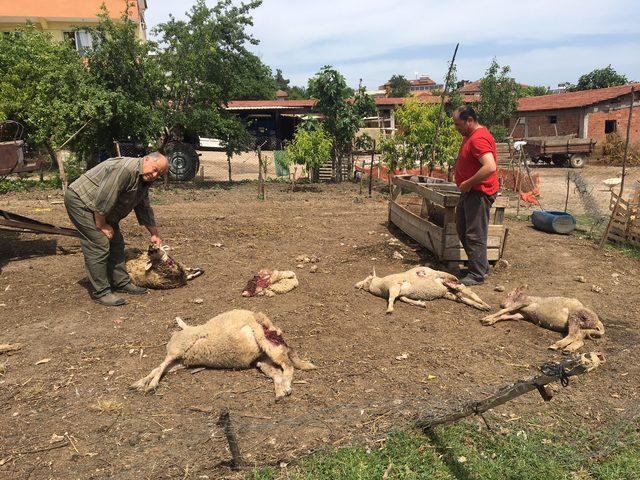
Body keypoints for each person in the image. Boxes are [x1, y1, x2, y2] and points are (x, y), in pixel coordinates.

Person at [64, 152, 169, 306]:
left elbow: (143, 206)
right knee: (98, 243)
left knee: (117, 242)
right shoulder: (126, 170)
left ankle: (121, 282)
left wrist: (154, 234)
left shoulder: (144, 178)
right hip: (82, 201)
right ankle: (102, 292)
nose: (154, 175)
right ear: (146, 159)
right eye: (154, 169)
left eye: (159, 174)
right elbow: (104, 197)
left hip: (100, 208)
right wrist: (101, 225)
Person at [452, 105, 499, 286]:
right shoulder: (470, 135)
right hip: (470, 190)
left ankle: (477, 274)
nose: (456, 128)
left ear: (469, 121)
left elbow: (490, 167)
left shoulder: (478, 138)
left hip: (479, 192)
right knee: (463, 228)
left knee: (474, 234)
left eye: (458, 124)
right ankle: (480, 265)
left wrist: (469, 182)